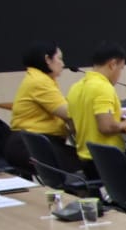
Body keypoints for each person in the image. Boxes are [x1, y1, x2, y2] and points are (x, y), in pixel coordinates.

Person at [8, 41, 77, 173]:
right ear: (47, 59)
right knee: (87, 165)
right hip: (30, 145)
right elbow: (68, 112)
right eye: (59, 58)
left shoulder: (39, 78)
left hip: (33, 143)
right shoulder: (39, 81)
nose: (63, 64)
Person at [68, 41, 126, 164]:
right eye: (121, 68)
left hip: (85, 158)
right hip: (108, 159)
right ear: (113, 64)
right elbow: (106, 127)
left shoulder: (76, 87)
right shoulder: (103, 87)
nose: (119, 74)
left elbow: (72, 124)